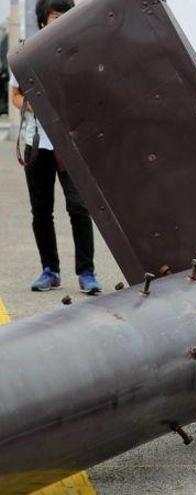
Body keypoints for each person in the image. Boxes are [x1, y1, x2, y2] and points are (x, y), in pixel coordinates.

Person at [11, 0, 102, 294]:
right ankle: (50, 270)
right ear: (42, 20)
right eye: (54, 16)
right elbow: (15, 94)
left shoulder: (76, 52)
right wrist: (34, 110)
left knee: (79, 207)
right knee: (41, 211)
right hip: (37, 144)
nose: (60, 20)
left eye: (65, 15)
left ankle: (87, 273)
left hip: (70, 145)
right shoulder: (27, 54)